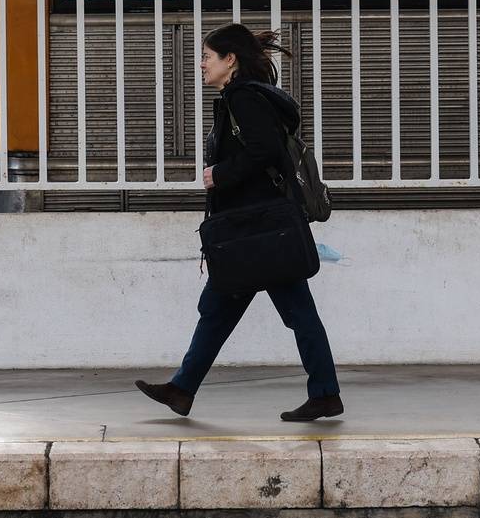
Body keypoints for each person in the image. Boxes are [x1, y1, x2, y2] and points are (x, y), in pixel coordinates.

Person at [135, 23, 343, 422]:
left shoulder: (244, 98)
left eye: (206, 57)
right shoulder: (242, 97)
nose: (201, 65)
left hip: (261, 232)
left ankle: (325, 393)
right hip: (251, 231)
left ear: (229, 60)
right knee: (217, 310)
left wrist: (221, 174)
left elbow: (264, 151)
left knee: (296, 312)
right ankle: (182, 389)